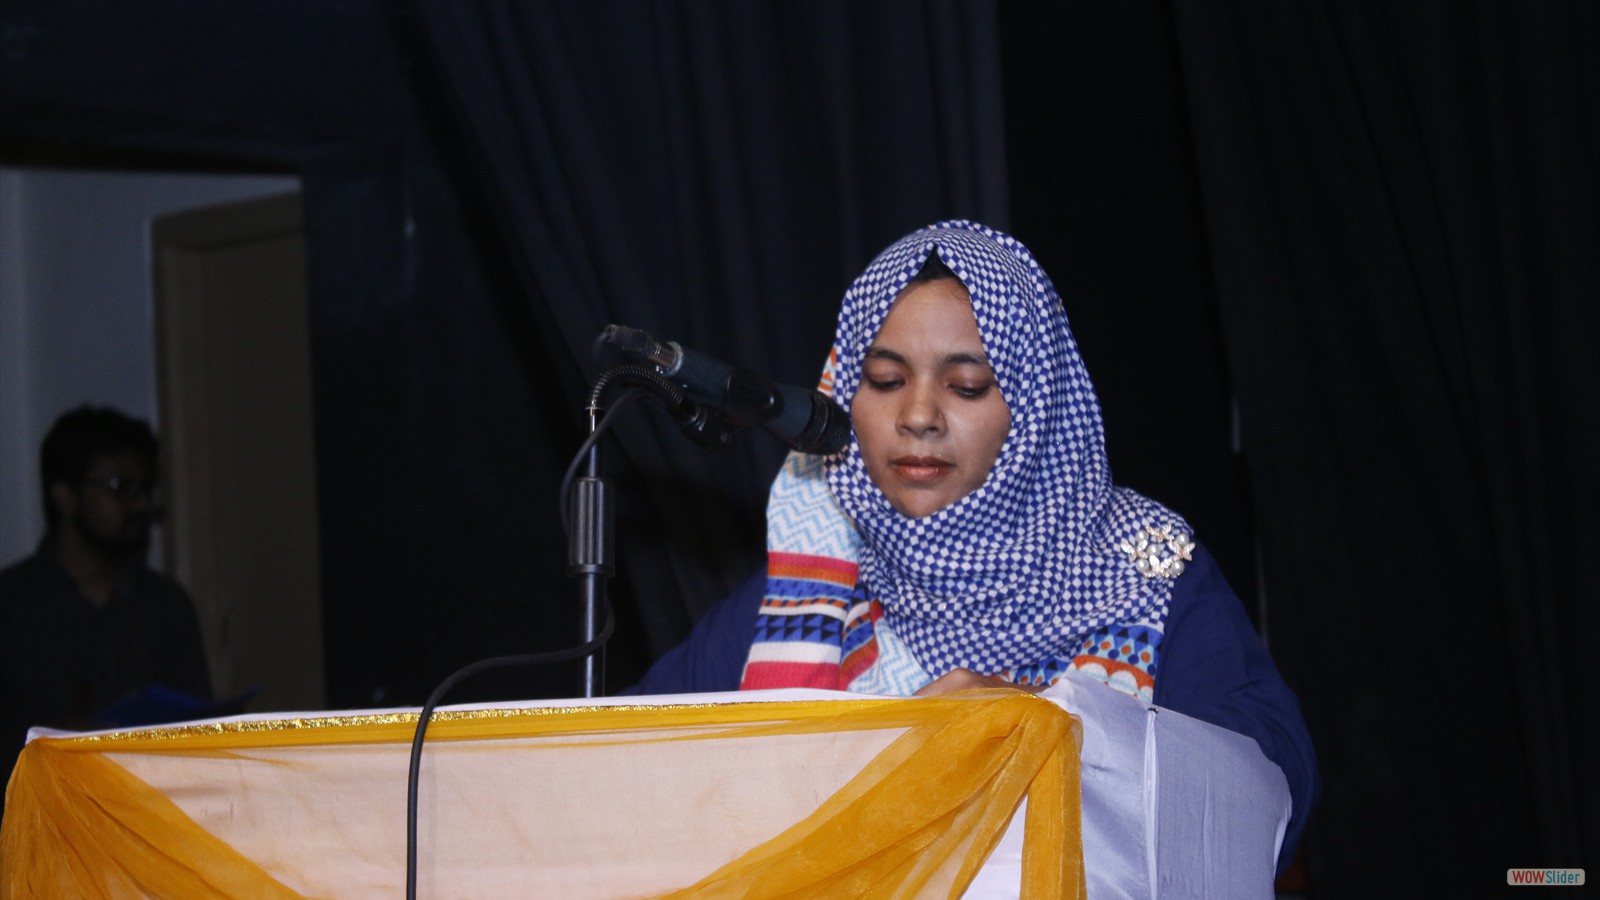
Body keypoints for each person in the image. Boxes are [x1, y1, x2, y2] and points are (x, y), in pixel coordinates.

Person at [624, 220, 1318, 869]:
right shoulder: (805, 596)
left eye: (967, 386)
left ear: (1037, 408)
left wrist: (1045, 732)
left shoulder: (1145, 572)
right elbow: (626, 768)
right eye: (886, 381)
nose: (918, 416)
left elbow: (1268, 785)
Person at [0, 405, 212, 781]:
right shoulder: (13, 604)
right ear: (65, 496)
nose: (141, 505)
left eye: (145, 490)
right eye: (120, 488)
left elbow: (200, 740)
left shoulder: (166, 605)